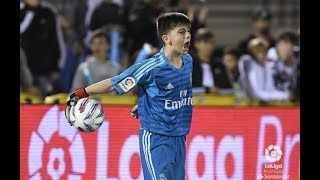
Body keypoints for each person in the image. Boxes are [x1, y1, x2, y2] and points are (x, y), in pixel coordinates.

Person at [65, 12, 192, 179]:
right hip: (156, 138)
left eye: (189, 31)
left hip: (180, 137)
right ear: (166, 39)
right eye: (182, 32)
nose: (188, 35)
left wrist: (146, 103)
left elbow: (173, 91)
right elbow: (113, 83)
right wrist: (81, 93)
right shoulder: (151, 67)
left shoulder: (188, 61)